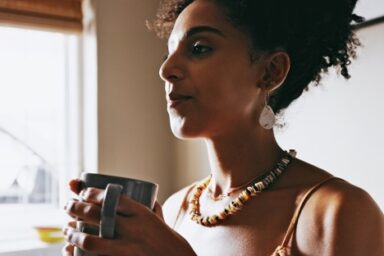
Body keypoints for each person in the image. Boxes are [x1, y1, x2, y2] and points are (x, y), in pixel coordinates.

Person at [63, 0, 384, 255]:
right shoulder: (174, 211)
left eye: (199, 48)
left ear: (271, 72)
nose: (166, 69)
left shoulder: (338, 214)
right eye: (168, 52)